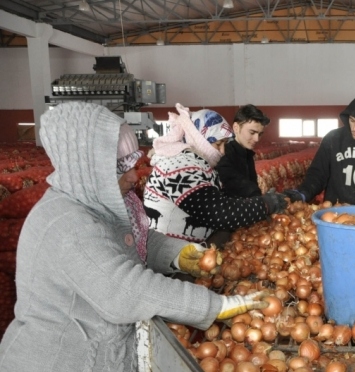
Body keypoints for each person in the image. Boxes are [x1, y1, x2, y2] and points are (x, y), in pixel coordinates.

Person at [0, 102, 268, 371]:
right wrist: (213, 305)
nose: (133, 176)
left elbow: (137, 241)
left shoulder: (103, 202)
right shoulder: (66, 223)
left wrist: (177, 254)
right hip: (60, 360)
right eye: (119, 167)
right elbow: (123, 290)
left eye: (132, 163)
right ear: (87, 168)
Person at [143, 104, 287, 244]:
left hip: (191, 251)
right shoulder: (177, 167)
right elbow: (219, 213)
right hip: (173, 256)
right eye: (218, 144)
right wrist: (264, 204)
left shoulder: (195, 163)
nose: (223, 151)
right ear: (199, 138)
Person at [216, 104, 270, 198]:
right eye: (252, 133)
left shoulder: (247, 153)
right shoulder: (226, 152)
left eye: (260, 134)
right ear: (236, 128)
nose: (256, 139)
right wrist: (259, 197)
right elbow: (234, 182)